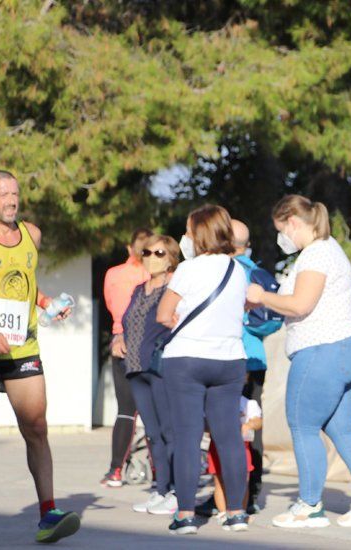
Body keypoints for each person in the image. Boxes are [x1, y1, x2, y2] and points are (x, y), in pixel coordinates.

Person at [0, 170, 81, 543]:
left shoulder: (31, 234)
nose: (11, 199)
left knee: (37, 427)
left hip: (23, 346)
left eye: (15, 193)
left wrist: (45, 301)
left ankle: (48, 514)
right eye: (2, 194)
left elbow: (26, 277)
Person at [247, 195, 351, 529]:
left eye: (281, 230)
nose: (281, 238)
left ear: (293, 223)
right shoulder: (329, 251)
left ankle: (309, 506)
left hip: (321, 349)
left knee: (303, 427)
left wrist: (260, 297)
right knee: (341, 428)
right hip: (343, 347)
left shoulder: (316, 254)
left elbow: (300, 304)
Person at [157, 205, 250, 534]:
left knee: (187, 438)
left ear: (198, 233)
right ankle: (236, 513)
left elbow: (163, 315)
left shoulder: (188, 270)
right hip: (229, 361)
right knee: (229, 439)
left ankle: (185, 515)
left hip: (187, 360)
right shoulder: (238, 270)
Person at [120, 235, 180, 515]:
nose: (151, 257)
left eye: (158, 252)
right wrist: (116, 337)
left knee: (170, 431)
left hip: (161, 368)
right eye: (146, 252)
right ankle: (161, 489)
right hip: (134, 367)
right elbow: (127, 322)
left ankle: (178, 491)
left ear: (171, 258)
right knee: (153, 434)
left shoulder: (175, 289)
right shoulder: (138, 289)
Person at [232, 219, 282, 512]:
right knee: (253, 424)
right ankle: (250, 494)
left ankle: (232, 493)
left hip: (233, 358)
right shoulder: (254, 271)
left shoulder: (227, 271)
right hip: (255, 356)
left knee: (230, 426)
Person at [102, 227, 153, 487]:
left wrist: (119, 331)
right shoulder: (152, 275)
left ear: (128, 248)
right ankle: (160, 474)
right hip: (147, 344)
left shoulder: (113, 275)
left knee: (125, 411)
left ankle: (115, 471)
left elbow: (113, 307)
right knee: (153, 411)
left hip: (119, 341)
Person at [207, 393, 263, 524]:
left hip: (242, 446)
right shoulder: (214, 400)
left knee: (243, 481)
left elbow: (258, 421)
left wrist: (249, 425)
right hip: (218, 445)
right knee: (219, 482)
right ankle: (222, 513)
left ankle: (240, 512)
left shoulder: (248, 403)